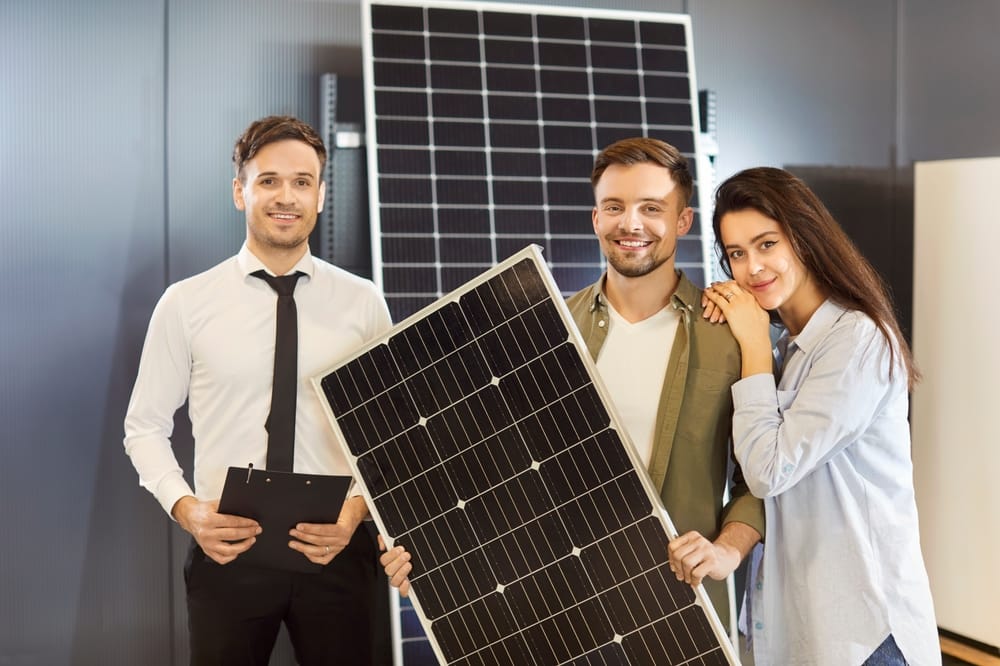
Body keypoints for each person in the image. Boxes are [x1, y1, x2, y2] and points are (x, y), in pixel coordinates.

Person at [380, 137, 765, 634]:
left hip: (676, 609)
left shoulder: (733, 336)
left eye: (652, 208)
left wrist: (726, 550)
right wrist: (435, 558)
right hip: (555, 605)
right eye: (615, 207)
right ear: (596, 218)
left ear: (682, 221)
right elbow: (492, 466)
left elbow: (760, 478)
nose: (631, 224)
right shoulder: (542, 325)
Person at [124, 115, 392, 665]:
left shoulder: (363, 303)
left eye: (302, 181)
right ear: (239, 191)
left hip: (337, 549)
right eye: (268, 180)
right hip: (227, 552)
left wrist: (355, 515)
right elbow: (144, 427)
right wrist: (188, 510)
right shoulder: (186, 304)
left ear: (320, 195)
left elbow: (391, 434)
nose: (285, 196)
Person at [702, 167, 939, 665]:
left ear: (804, 238)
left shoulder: (857, 341)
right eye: (737, 254)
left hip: (864, 634)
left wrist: (751, 345)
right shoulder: (788, 348)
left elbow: (769, 471)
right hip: (803, 626)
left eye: (767, 244)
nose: (752, 268)